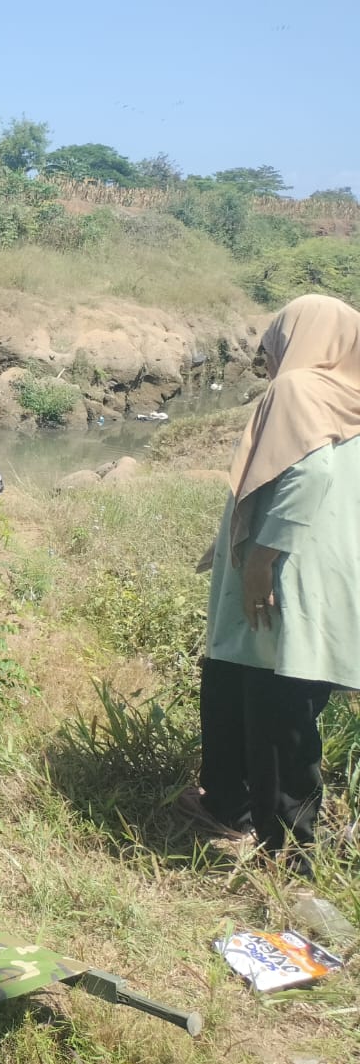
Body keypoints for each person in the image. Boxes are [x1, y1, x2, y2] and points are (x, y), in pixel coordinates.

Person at [182, 294, 360, 878]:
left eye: (274, 340)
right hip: (316, 575)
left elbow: (309, 473)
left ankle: (289, 853)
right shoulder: (348, 400)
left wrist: (260, 557)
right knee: (252, 688)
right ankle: (235, 810)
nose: (268, 356)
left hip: (284, 572)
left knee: (276, 707)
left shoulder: (300, 390)